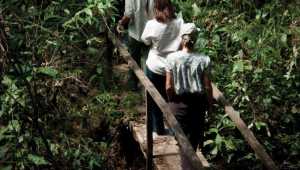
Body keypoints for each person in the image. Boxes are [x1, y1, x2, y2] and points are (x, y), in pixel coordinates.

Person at [165, 23, 213, 150]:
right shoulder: (204, 59)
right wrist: (210, 105)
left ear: (182, 38)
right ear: (195, 39)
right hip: (197, 106)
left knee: (181, 143)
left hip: (178, 104)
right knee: (192, 143)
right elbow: (207, 87)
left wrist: (171, 101)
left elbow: (168, 87)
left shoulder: (171, 58)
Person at [141, 0, 183, 135]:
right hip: (172, 68)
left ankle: (158, 129)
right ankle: (175, 130)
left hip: (155, 67)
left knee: (154, 99)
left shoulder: (152, 25)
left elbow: (145, 40)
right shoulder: (179, 23)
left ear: (156, 8)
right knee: (172, 99)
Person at [117, 0, 154, 91]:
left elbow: (129, 14)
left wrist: (121, 23)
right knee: (148, 59)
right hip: (150, 31)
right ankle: (150, 87)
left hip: (135, 32)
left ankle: (134, 84)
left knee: (134, 59)